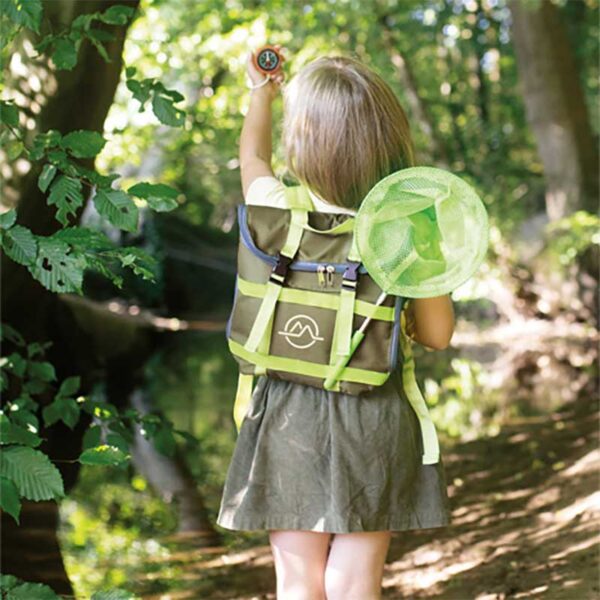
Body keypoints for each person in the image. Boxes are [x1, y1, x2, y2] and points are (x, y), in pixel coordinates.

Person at [216, 47, 454, 600]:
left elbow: (252, 158)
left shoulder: (274, 209)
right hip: (375, 412)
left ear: (302, 143)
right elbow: (439, 333)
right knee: (356, 577)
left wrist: (261, 92)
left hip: (283, 412)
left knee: (297, 579)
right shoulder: (407, 224)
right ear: (390, 143)